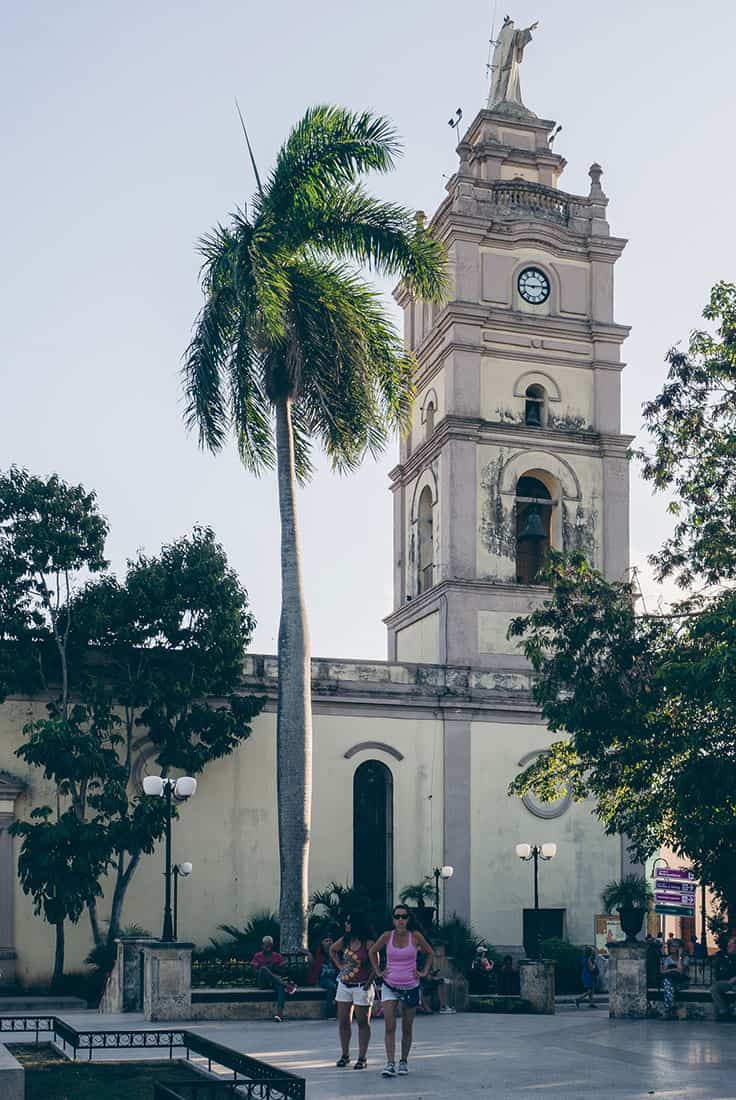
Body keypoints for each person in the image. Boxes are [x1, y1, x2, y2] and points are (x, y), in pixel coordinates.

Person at [369, 904, 434, 1078]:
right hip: (390, 985)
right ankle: (390, 1063)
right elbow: (372, 951)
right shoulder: (387, 936)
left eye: (404, 917)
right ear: (393, 919)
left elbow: (430, 953)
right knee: (389, 1025)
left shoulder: (416, 936)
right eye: (397, 916)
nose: (400, 920)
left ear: (408, 919)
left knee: (407, 1026)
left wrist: (424, 972)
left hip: (410, 986)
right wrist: (378, 971)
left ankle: (403, 1061)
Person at [329, 913, 375, 1070]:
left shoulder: (368, 944)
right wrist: (340, 965)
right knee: (343, 1021)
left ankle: (362, 1057)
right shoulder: (345, 940)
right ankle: (345, 1054)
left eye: (349, 922)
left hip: (362, 986)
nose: (346, 924)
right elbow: (332, 950)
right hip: (345, 984)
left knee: (362, 1022)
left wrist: (368, 984)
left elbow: (377, 965)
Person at [250, 936, 296, 1023]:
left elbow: (283, 971)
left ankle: (280, 1014)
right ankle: (287, 986)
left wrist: (277, 967)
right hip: (263, 982)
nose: (268, 948)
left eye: (269, 946)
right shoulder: (257, 956)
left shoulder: (277, 956)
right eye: (266, 945)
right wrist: (267, 968)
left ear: (272, 945)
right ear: (262, 946)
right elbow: (255, 971)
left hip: (275, 981)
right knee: (263, 969)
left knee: (281, 989)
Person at [307, 931, 338, 1018]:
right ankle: (330, 1013)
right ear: (322, 943)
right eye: (326, 941)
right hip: (323, 978)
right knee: (332, 987)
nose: (329, 943)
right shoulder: (317, 953)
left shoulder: (335, 952)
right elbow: (312, 965)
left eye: (330, 941)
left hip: (336, 977)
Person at [660, 939, 689, 1017]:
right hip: (671, 982)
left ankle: (669, 1010)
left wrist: (680, 956)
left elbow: (681, 971)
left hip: (681, 982)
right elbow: (662, 971)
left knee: (668, 985)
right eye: (671, 946)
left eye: (675, 946)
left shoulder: (685, 958)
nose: (672, 948)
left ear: (680, 948)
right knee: (667, 983)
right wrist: (674, 969)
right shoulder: (668, 959)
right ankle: (670, 1007)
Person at [711, 931, 736, 1020]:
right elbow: (718, 971)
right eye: (729, 943)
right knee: (715, 988)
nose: (728, 945)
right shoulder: (722, 955)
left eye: (731, 943)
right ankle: (724, 1012)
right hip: (726, 982)